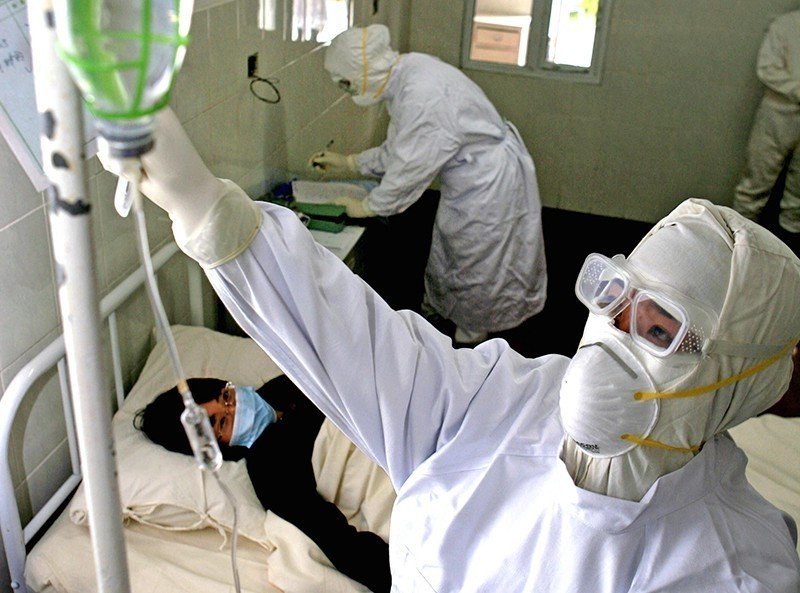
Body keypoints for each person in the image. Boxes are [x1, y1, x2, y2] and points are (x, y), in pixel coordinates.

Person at [106, 108, 800, 592]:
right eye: (613, 300)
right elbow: (354, 343)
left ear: (739, 381)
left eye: (658, 331)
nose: (611, 345)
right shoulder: (509, 399)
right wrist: (202, 206)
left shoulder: (735, 569)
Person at [307, 24, 547, 345]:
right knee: (455, 248)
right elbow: (403, 147)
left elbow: (409, 168)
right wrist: (350, 162)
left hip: (486, 183)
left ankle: (471, 341)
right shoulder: (406, 74)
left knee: (478, 258)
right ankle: (447, 316)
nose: (348, 91)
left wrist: (369, 206)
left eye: (348, 83)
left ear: (363, 71)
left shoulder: (421, 96)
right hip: (471, 173)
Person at [136, 375, 391, 593]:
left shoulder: (285, 384)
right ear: (218, 447)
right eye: (222, 422)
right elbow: (337, 541)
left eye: (226, 396)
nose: (233, 409)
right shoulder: (268, 467)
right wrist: (399, 572)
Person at [733, 9, 800, 252]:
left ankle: (788, 252)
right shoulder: (785, 25)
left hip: (785, 107)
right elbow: (767, 69)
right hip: (778, 112)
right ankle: (737, 246)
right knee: (756, 181)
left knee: (798, 192)